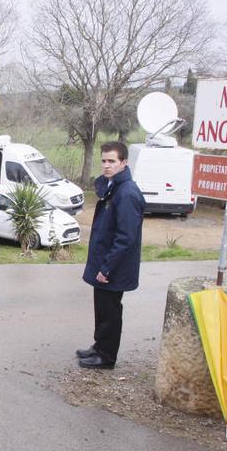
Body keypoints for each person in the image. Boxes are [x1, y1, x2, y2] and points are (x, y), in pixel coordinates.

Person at [78, 141, 146, 369]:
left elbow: (125, 237)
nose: (106, 166)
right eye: (104, 161)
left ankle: (106, 357)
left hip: (113, 267)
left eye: (112, 161)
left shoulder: (127, 193)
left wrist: (107, 268)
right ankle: (99, 347)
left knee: (110, 311)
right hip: (104, 262)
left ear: (124, 162)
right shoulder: (112, 186)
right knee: (102, 307)